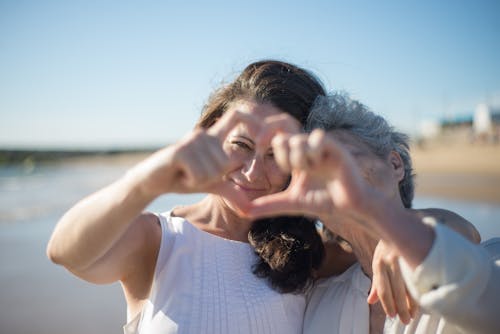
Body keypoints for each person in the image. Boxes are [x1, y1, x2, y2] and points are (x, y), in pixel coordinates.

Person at [46, 60, 328, 334]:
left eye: (275, 155)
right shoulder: (157, 238)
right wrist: (147, 183)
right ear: (210, 134)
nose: (253, 173)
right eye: (241, 145)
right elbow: (64, 252)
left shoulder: (308, 254)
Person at [248, 92, 499, 333]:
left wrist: (402, 231)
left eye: (340, 156)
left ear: (394, 164)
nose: (330, 174)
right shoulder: (319, 300)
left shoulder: (487, 262)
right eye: (312, 170)